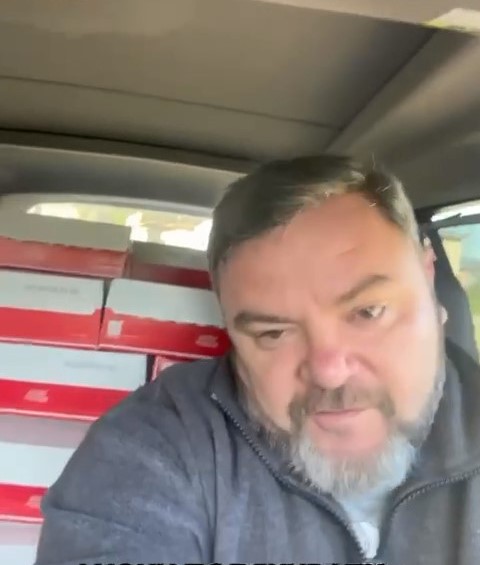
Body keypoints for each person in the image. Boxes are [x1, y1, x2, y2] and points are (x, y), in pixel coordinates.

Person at [35, 155, 480, 565]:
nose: (328, 371)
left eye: (368, 312)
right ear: (232, 334)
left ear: (429, 278)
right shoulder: (155, 443)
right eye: (274, 333)